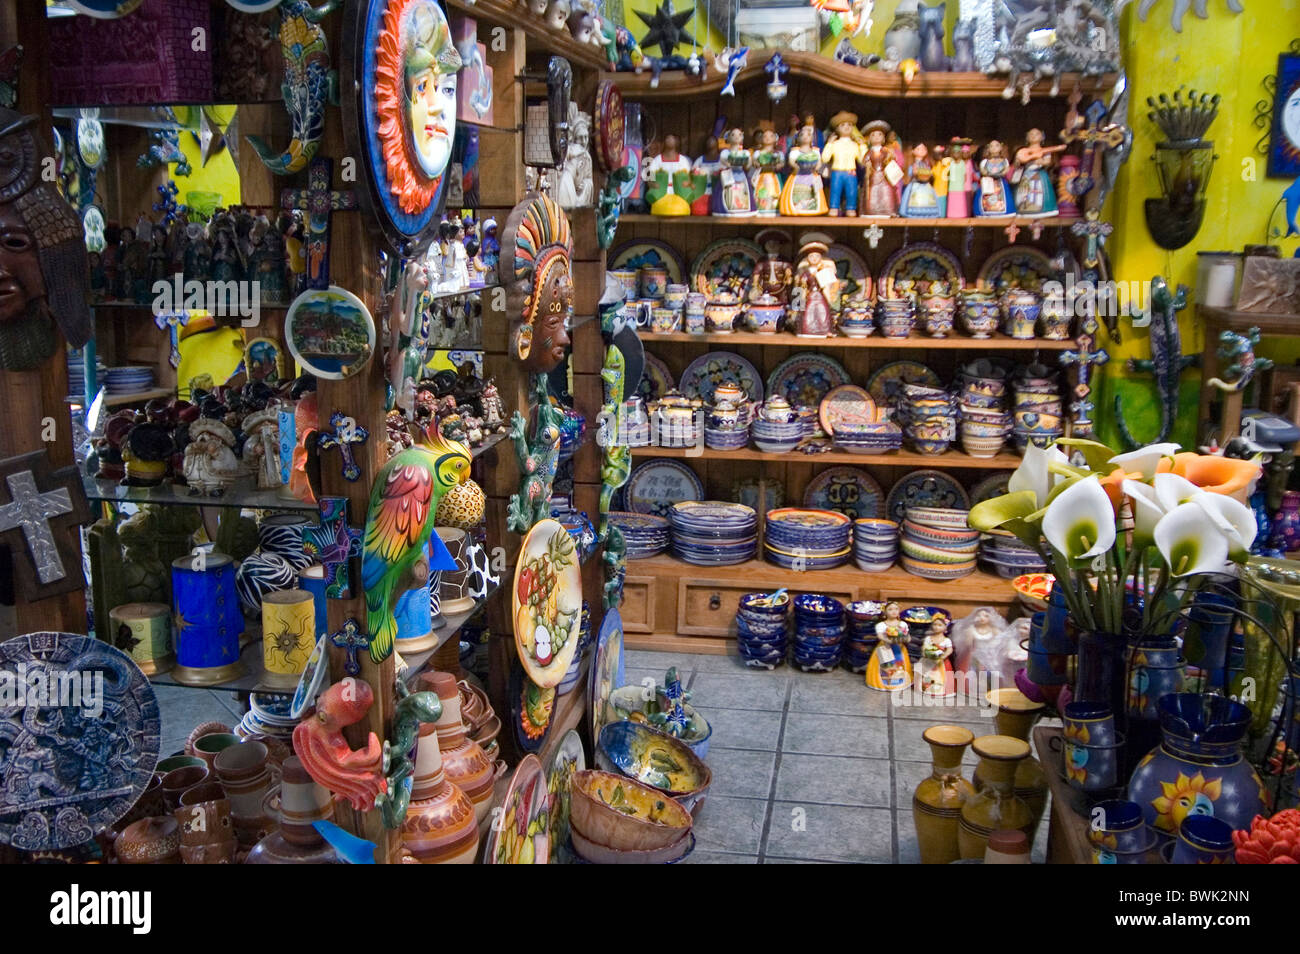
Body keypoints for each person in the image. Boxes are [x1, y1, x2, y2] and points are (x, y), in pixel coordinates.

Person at [778, 122, 828, 216]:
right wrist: (795, 165)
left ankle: (814, 207)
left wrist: (816, 167)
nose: (805, 137)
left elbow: (819, 162)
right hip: (798, 174)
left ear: (812, 138)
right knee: (796, 190)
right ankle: (796, 206)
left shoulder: (815, 151)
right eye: (802, 135)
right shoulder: (795, 151)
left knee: (816, 191)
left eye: (808, 135)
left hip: (811, 174)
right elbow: (791, 161)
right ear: (798, 138)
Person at [821, 110, 864, 217]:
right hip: (837, 171)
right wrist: (829, 144)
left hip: (850, 171)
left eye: (849, 125)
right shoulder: (835, 144)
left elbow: (862, 161)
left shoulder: (855, 145)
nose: (846, 127)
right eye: (843, 125)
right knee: (835, 190)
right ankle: (834, 207)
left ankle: (851, 208)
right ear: (837, 128)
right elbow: (825, 158)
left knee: (852, 191)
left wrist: (863, 146)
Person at [867, 601, 913, 691]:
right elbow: (880, 636)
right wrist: (889, 641)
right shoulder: (881, 625)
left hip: (899, 648)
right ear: (885, 612)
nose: (894, 611)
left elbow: (907, 635)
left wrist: (907, 639)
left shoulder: (902, 624)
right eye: (890, 609)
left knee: (899, 664)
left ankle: (899, 681)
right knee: (886, 666)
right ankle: (885, 681)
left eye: (896, 609)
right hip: (885, 647)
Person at [860, 119, 902, 217]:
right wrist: (867, 165)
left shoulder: (886, 151)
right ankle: (871, 211)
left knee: (886, 192)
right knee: (872, 194)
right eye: (873, 135)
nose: (876, 137)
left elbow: (892, 161)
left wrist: (890, 158)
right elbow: (864, 162)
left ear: (883, 138)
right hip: (873, 177)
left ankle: (889, 210)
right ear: (869, 138)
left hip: (884, 177)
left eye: (879, 134)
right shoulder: (869, 152)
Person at [919, 616, 955, 697]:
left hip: (941, 662)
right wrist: (926, 653)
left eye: (940, 625)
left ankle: (939, 689)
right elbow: (924, 647)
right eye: (935, 625)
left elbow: (950, 650)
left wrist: (942, 657)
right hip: (929, 661)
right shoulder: (928, 638)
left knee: (939, 676)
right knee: (928, 674)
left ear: (945, 627)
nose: (936, 627)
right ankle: (927, 687)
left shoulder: (946, 640)